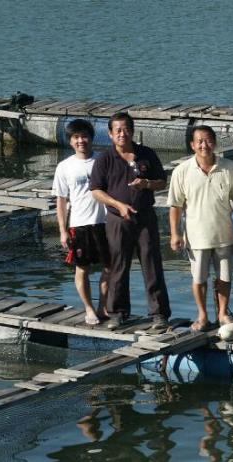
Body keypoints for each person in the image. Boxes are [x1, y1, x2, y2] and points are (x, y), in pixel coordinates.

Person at [90, 112, 171, 330]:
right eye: (117, 130)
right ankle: (117, 313)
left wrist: (146, 184)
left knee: (152, 263)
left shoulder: (146, 154)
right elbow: (96, 190)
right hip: (118, 219)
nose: (122, 134)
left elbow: (162, 182)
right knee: (118, 265)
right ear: (110, 134)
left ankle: (159, 314)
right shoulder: (105, 159)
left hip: (145, 217)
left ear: (133, 131)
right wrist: (118, 205)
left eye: (126, 129)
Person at [168, 125, 233, 332]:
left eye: (208, 140)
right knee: (199, 278)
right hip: (196, 236)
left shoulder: (229, 167)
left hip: (224, 233)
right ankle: (202, 316)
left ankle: (223, 314)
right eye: (199, 141)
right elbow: (175, 206)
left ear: (215, 143)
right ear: (192, 145)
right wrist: (175, 233)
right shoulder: (182, 171)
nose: (204, 145)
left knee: (225, 277)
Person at [52, 118, 110, 325]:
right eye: (76, 137)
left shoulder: (103, 160)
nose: (81, 141)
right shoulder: (64, 167)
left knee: (110, 267)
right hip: (79, 223)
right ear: (70, 141)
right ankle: (89, 308)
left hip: (105, 222)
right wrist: (62, 230)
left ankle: (103, 306)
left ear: (91, 138)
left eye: (84, 136)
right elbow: (61, 200)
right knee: (82, 268)